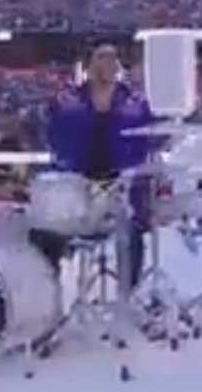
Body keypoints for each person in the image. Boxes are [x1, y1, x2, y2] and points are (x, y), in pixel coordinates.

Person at [44, 39, 156, 293]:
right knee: (49, 230)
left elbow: (146, 142)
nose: (109, 63)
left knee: (132, 229)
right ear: (89, 65)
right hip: (78, 180)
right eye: (102, 57)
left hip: (122, 182)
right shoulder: (67, 101)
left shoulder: (135, 102)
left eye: (113, 58)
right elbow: (54, 138)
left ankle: (128, 293)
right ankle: (52, 291)